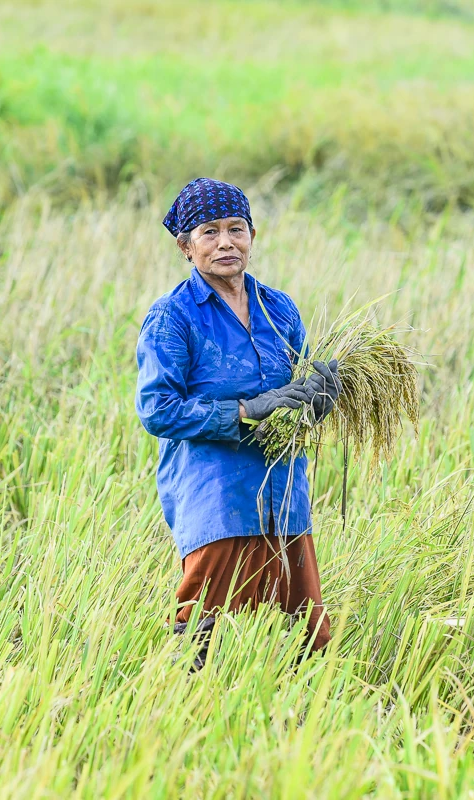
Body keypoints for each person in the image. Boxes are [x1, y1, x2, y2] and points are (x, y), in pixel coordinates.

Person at [135, 177, 342, 672]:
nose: (225, 242)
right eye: (209, 232)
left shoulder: (280, 309)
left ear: (253, 235)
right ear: (186, 247)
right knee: (199, 628)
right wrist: (245, 411)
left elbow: (296, 393)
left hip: (282, 492)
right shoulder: (172, 317)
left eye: (236, 229)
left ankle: (304, 722)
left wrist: (325, 397)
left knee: (306, 633)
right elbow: (157, 409)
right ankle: (182, 711)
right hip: (216, 494)